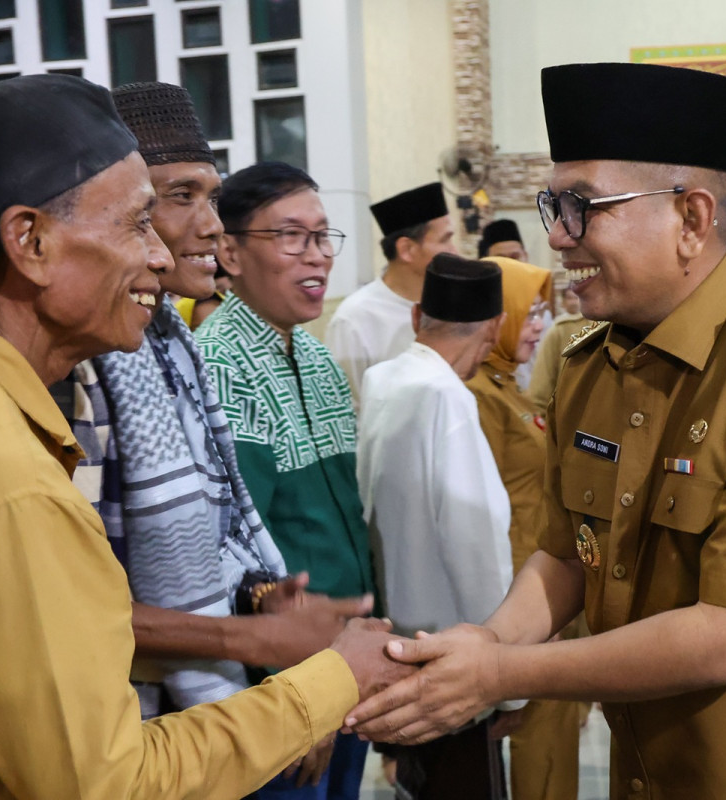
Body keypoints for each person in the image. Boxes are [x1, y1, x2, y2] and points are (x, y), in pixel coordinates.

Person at [345, 61, 726, 799]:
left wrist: (500, 672)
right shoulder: (591, 362)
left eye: (583, 206)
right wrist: (488, 640)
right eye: (554, 206)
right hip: (650, 767)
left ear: (692, 220)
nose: (558, 236)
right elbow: (565, 555)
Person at [0, 74, 407, 800]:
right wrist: (332, 680)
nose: (162, 256)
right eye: (141, 221)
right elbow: (107, 782)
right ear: (30, 241)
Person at [64, 82, 374, 795]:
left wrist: (267, 600)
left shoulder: (185, 348)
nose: (209, 226)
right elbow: (72, 609)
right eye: (180, 197)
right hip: (161, 723)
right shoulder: (115, 361)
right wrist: (273, 664)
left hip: (296, 662)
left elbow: (226, 535)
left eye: (322, 236)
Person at [196, 161, 378, 800]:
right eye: (291, 236)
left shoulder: (317, 356)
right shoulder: (220, 363)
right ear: (230, 253)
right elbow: (232, 549)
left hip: (343, 655)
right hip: (286, 675)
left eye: (323, 236)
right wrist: (292, 687)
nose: (317, 255)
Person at [358, 252, 519, 799]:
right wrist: (507, 680)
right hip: (453, 662)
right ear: (495, 328)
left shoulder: (383, 380)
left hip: (393, 646)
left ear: (416, 316)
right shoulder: (446, 396)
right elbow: (477, 548)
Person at [465, 257, 581, 800]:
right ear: (499, 317)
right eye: (528, 314)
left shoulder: (505, 385)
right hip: (520, 597)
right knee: (536, 750)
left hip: (546, 586)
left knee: (554, 743)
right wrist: (524, 615)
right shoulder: (478, 398)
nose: (538, 327)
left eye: (541, 314)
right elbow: (480, 518)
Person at [325, 182, 458, 404]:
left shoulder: (451, 303)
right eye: (445, 240)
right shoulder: (354, 320)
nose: (454, 251)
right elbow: (347, 409)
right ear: (407, 249)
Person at [528, 283, 586, 411]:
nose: (573, 302)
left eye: (576, 297)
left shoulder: (604, 325)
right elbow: (541, 389)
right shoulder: (558, 329)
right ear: (563, 302)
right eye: (570, 298)